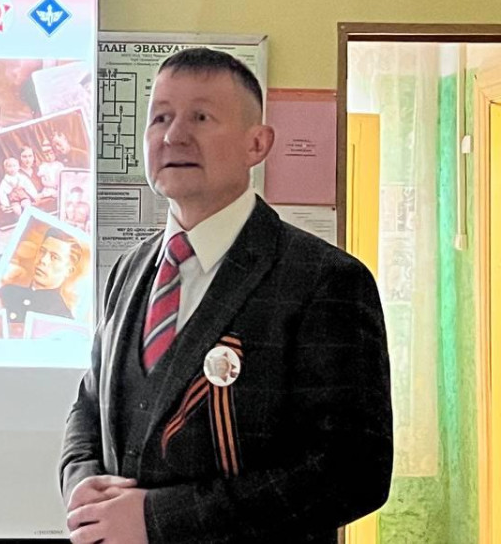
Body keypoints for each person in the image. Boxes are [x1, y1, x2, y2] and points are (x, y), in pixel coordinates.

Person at [59, 48, 392, 544]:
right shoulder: (128, 271)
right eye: (160, 117)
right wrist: (81, 481)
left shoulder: (325, 281)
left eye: (201, 117)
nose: (173, 135)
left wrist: (158, 519)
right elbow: (90, 402)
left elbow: (353, 471)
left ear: (257, 144)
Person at [0, 226, 79, 324]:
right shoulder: (7, 292)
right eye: (42, 251)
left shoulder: (63, 318)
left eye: (54, 257)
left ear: (69, 271)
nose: (43, 260)